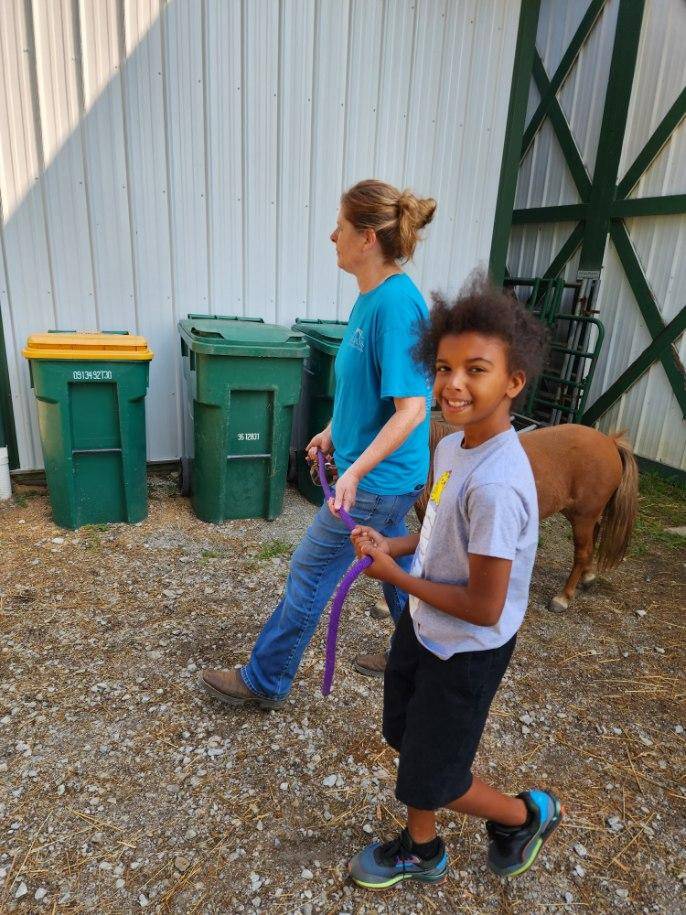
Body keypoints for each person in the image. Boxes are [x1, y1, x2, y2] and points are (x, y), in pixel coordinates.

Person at [347, 275, 561, 889]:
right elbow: (440, 530)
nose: (454, 384)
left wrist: (396, 578)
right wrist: (397, 545)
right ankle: (424, 843)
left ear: (514, 381)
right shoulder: (452, 448)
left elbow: (485, 606)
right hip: (427, 629)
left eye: (476, 370)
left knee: (436, 773)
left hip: (466, 648)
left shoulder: (496, 485)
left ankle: (523, 815)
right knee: (405, 736)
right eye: (443, 368)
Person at [200, 179, 436, 709]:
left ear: (369, 237)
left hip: (375, 482)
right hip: (378, 479)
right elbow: (365, 392)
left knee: (310, 571)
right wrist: (332, 433)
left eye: (341, 227)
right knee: (395, 572)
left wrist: (352, 473)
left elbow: (412, 410)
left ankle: (266, 679)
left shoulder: (397, 306)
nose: (333, 236)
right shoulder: (370, 297)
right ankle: (420, 660)